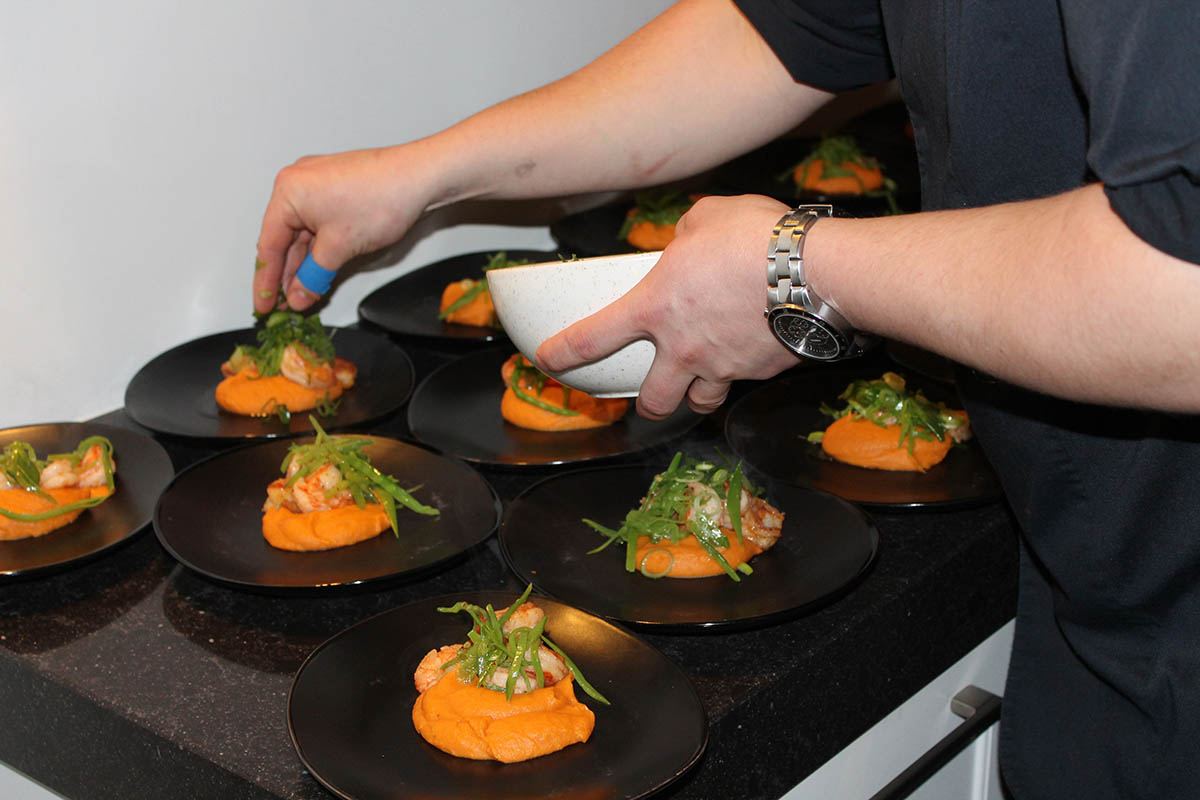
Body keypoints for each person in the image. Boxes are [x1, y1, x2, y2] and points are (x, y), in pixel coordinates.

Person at [252, 1, 1200, 797]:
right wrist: (420, 172)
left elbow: (1178, 288)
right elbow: (774, 37)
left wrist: (800, 272)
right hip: (1101, 586)